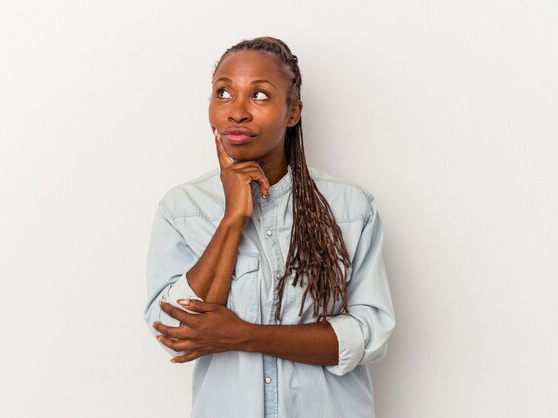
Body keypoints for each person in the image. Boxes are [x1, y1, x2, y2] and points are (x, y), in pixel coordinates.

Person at [144, 36, 395, 418]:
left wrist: (245, 335)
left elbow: (369, 335)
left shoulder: (350, 209)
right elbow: (174, 335)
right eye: (223, 93)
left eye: (259, 95)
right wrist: (232, 219)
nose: (237, 112)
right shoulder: (182, 210)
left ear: (292, 112)